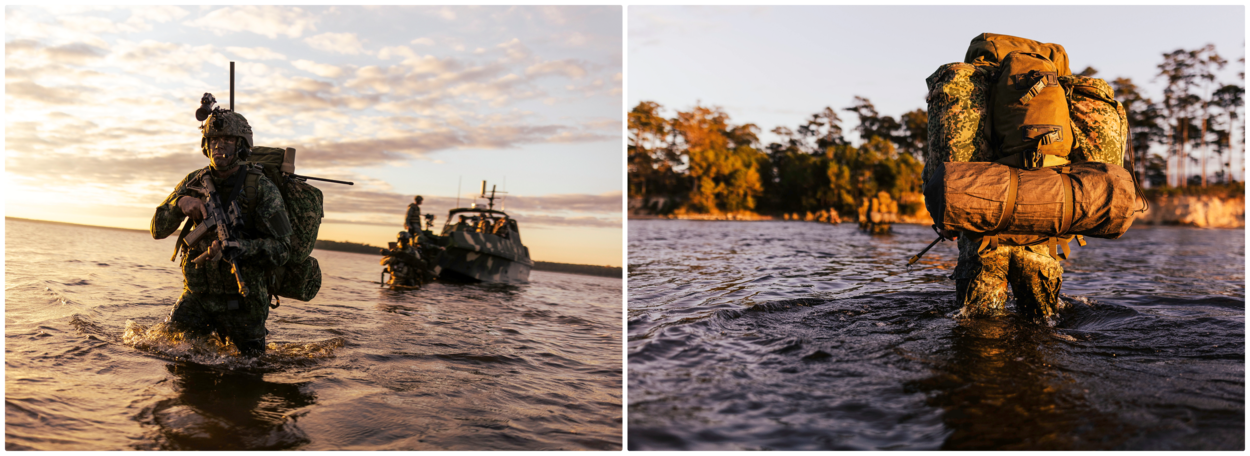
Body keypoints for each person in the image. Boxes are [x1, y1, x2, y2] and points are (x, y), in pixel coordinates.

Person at [150, 109, 292, 357]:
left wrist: (239, 247)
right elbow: (157, 230)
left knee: (250, 373)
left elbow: (282, 250)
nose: (219, 147)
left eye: (227, 140)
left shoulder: (260, 188)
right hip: (198, 296)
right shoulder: (194, 181)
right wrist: (180, 203)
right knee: (167, 352)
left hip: (244, 302)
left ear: (242, 146)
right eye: (213, 140)